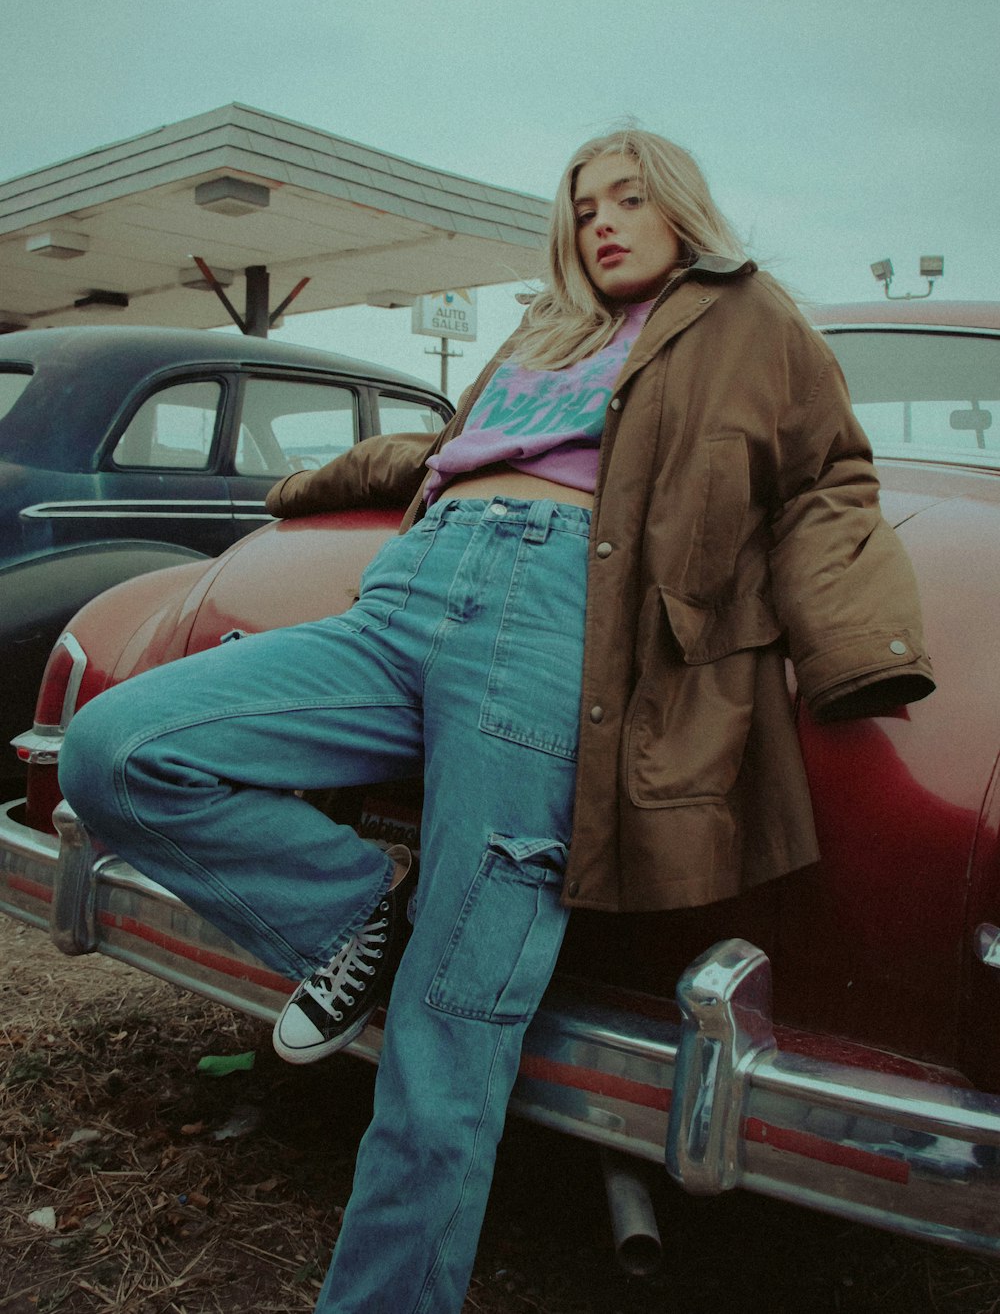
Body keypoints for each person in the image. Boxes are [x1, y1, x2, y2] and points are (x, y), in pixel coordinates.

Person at [60, 128, 935, 1313]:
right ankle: (359, 912)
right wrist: (317, 484)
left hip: (553, 617)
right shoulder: (546, 326)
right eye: (583, 208)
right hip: (412, 589)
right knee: (120, 750)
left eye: (628, 199)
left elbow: (830, 480)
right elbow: (452, 452)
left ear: (681, 206)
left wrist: (860, 652)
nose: (603, 223)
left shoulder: (748, 316)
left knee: (447, 1034)